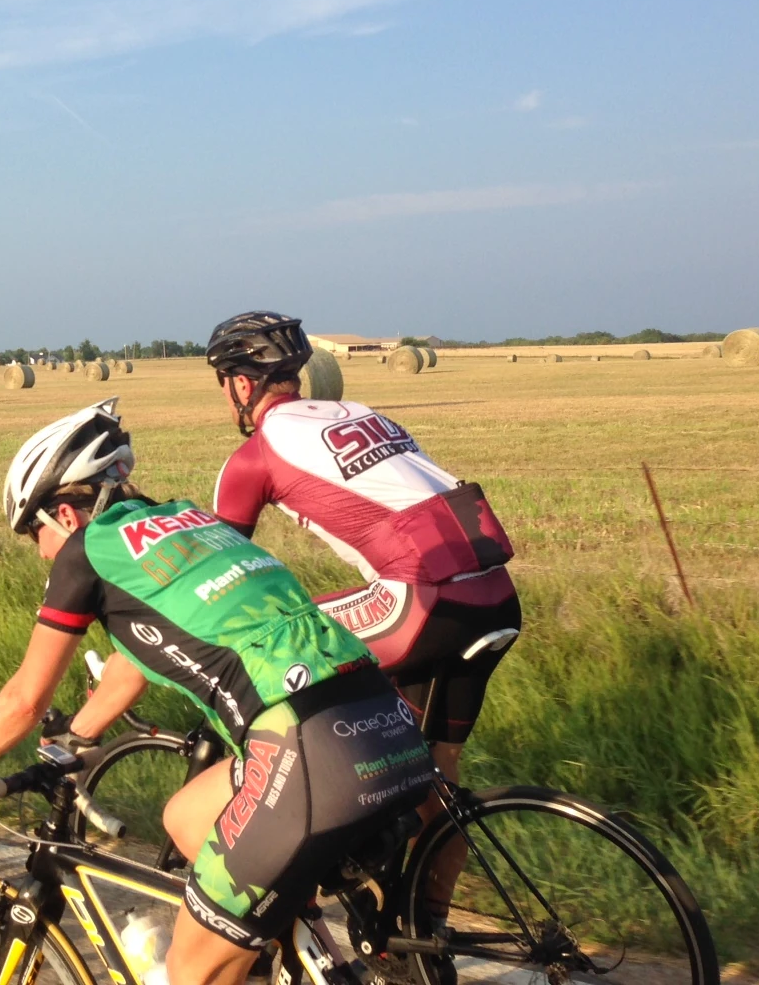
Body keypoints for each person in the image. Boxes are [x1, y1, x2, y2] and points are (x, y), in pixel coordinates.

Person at [0, 400, 433, 985]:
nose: (42, 554)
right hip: (383, 722)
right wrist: (78, 734)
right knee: (184, 816)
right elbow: (132, 666)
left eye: (35, 536)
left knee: (187, 972)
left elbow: (25, 697)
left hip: (305, 751)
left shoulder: (86, 553)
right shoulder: (194, 525)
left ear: (65, 513)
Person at [203, 311, 521, 919]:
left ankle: (303, 852)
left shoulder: (256, 454)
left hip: (424, 601)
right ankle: (422, 939)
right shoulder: (360, 414)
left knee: (281, 657)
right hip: (494, 594)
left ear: (241, 384)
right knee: (436, 780)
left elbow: (221, 580)